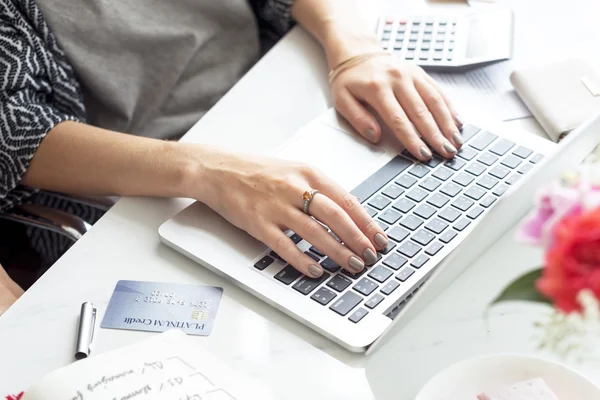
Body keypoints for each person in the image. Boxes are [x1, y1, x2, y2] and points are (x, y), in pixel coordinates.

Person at [0, 0, 462, 297]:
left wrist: (356, 50)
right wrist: (208, 170)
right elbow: (17, 132)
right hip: (151, 186)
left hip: (287, 98)